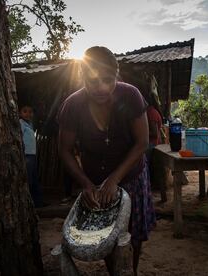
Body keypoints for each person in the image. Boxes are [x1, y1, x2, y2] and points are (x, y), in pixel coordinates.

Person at [58, 46, 156, 275]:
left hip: (131, 175)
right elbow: (64, 150)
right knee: (105, 235)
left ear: (116, 75)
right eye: (92, 81)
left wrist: (114, 179)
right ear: (82, 77)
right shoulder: (72, 106)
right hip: (95, 181)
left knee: (133, 233)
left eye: (107, 80)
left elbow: (142, 143)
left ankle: (131, 269)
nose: (101, 87)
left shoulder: (130, 96)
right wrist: (86, 184)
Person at [19, 104, 44, 208]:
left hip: (32, 155)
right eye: (25, 111)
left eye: (30, 112)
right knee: (28, 179)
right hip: (26, 155)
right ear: (20, 113)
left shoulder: (29, 124)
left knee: (34, 179)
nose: (28, 114)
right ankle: (26, 204)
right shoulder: (20, 123)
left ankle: (37, 203)